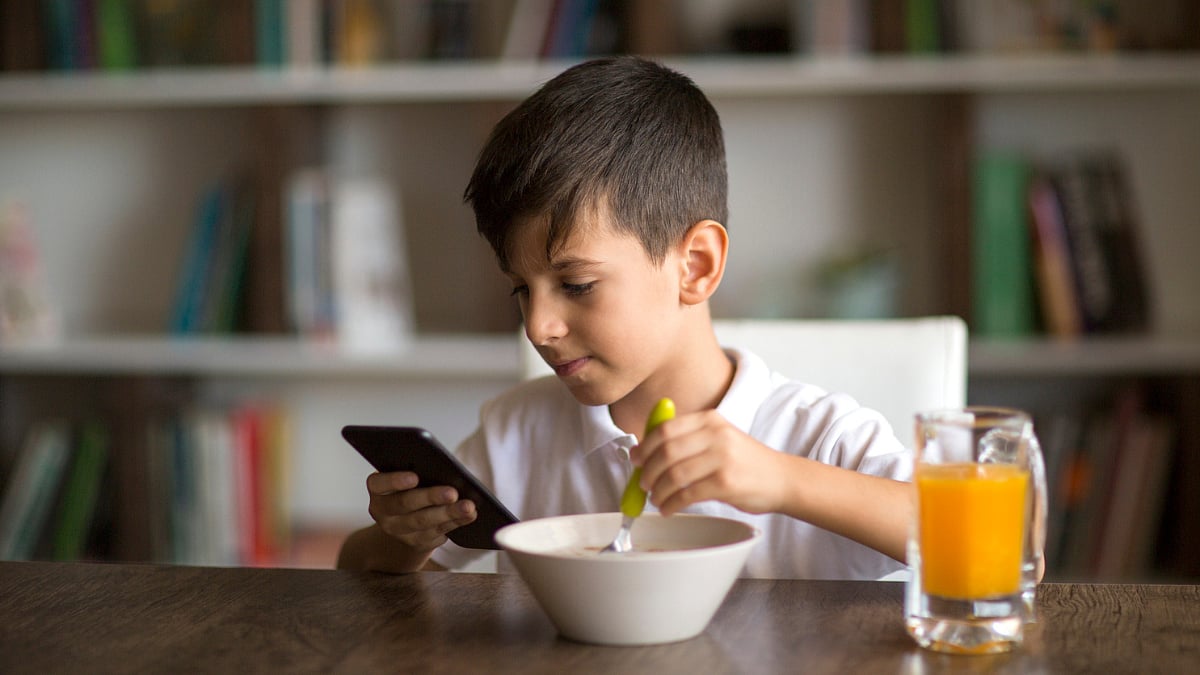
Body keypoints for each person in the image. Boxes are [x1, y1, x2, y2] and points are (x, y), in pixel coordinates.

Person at [337, 56, 912, 579]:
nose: (538, 327)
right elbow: (358, 571)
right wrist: (404, 541)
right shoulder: (517, 434)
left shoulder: (816, 437)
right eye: (520, 291)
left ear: (695, 266)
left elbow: (995, 544)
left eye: (576, 285)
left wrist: (786, 481)